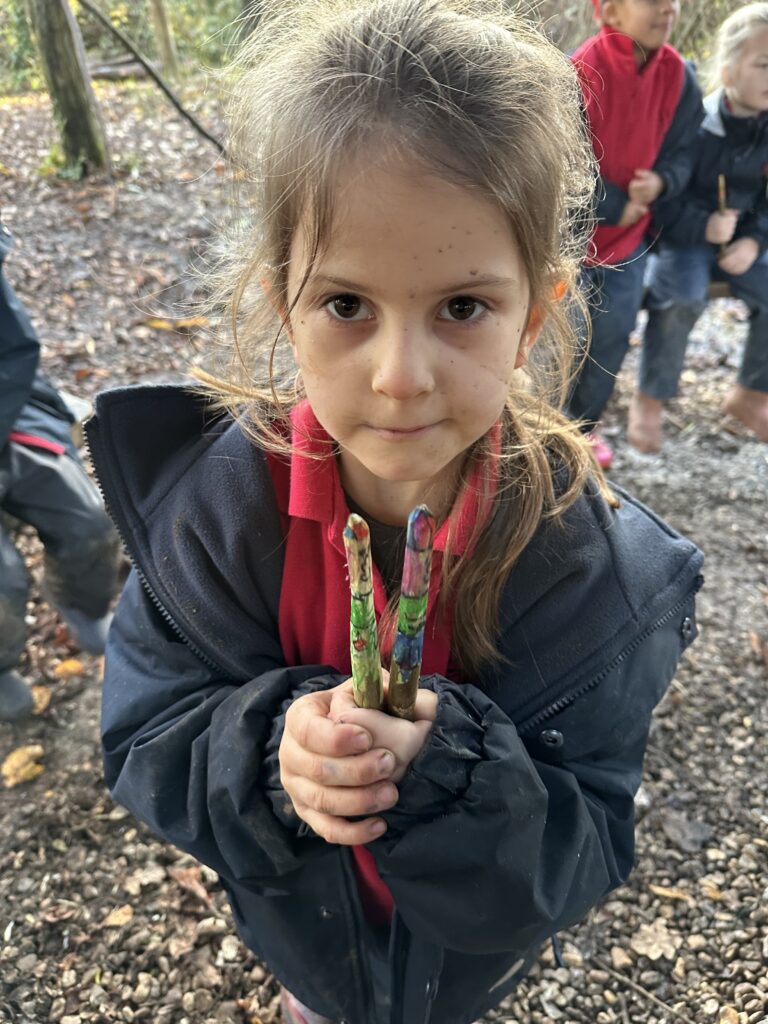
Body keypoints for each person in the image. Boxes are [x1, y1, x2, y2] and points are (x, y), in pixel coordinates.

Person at [86, 3, 704, 1023]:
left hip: (461, 965)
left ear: (533, 314)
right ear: (284, 300)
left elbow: (582, 846)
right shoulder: (216, 518)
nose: (402, 377)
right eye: (346, 306)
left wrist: (451, 770)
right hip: (308, 941)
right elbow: (148, 736)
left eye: (463, 307)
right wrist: (273, 752)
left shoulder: (595, 571)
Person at [566, 0, 703, 467]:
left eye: (675, 1)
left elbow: (685, 153)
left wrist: (662, 181)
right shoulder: (579, 71)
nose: (669, 9)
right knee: (568, 332)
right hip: (570, 243)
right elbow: (563, 166)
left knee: (615, 331)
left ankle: (582, 429)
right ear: (608, 10)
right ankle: (547, 429)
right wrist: (616, 204)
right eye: (652, 0)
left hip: (630, 242)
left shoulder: (680, 77)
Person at [628, 2, 768, 452]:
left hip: (739, 242)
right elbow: (663, 203)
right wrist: (702, 226)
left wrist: (753, 238)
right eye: (763, 65)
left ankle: (749, 394)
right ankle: (650, 398)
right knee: (680, 297)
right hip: (683, 240)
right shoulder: (695, 126)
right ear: (727, 73)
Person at [0, 220, 121, 722]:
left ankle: (82, 605)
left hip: (7, 413)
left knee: (88, 519)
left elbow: (14, 349)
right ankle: (2, 663)